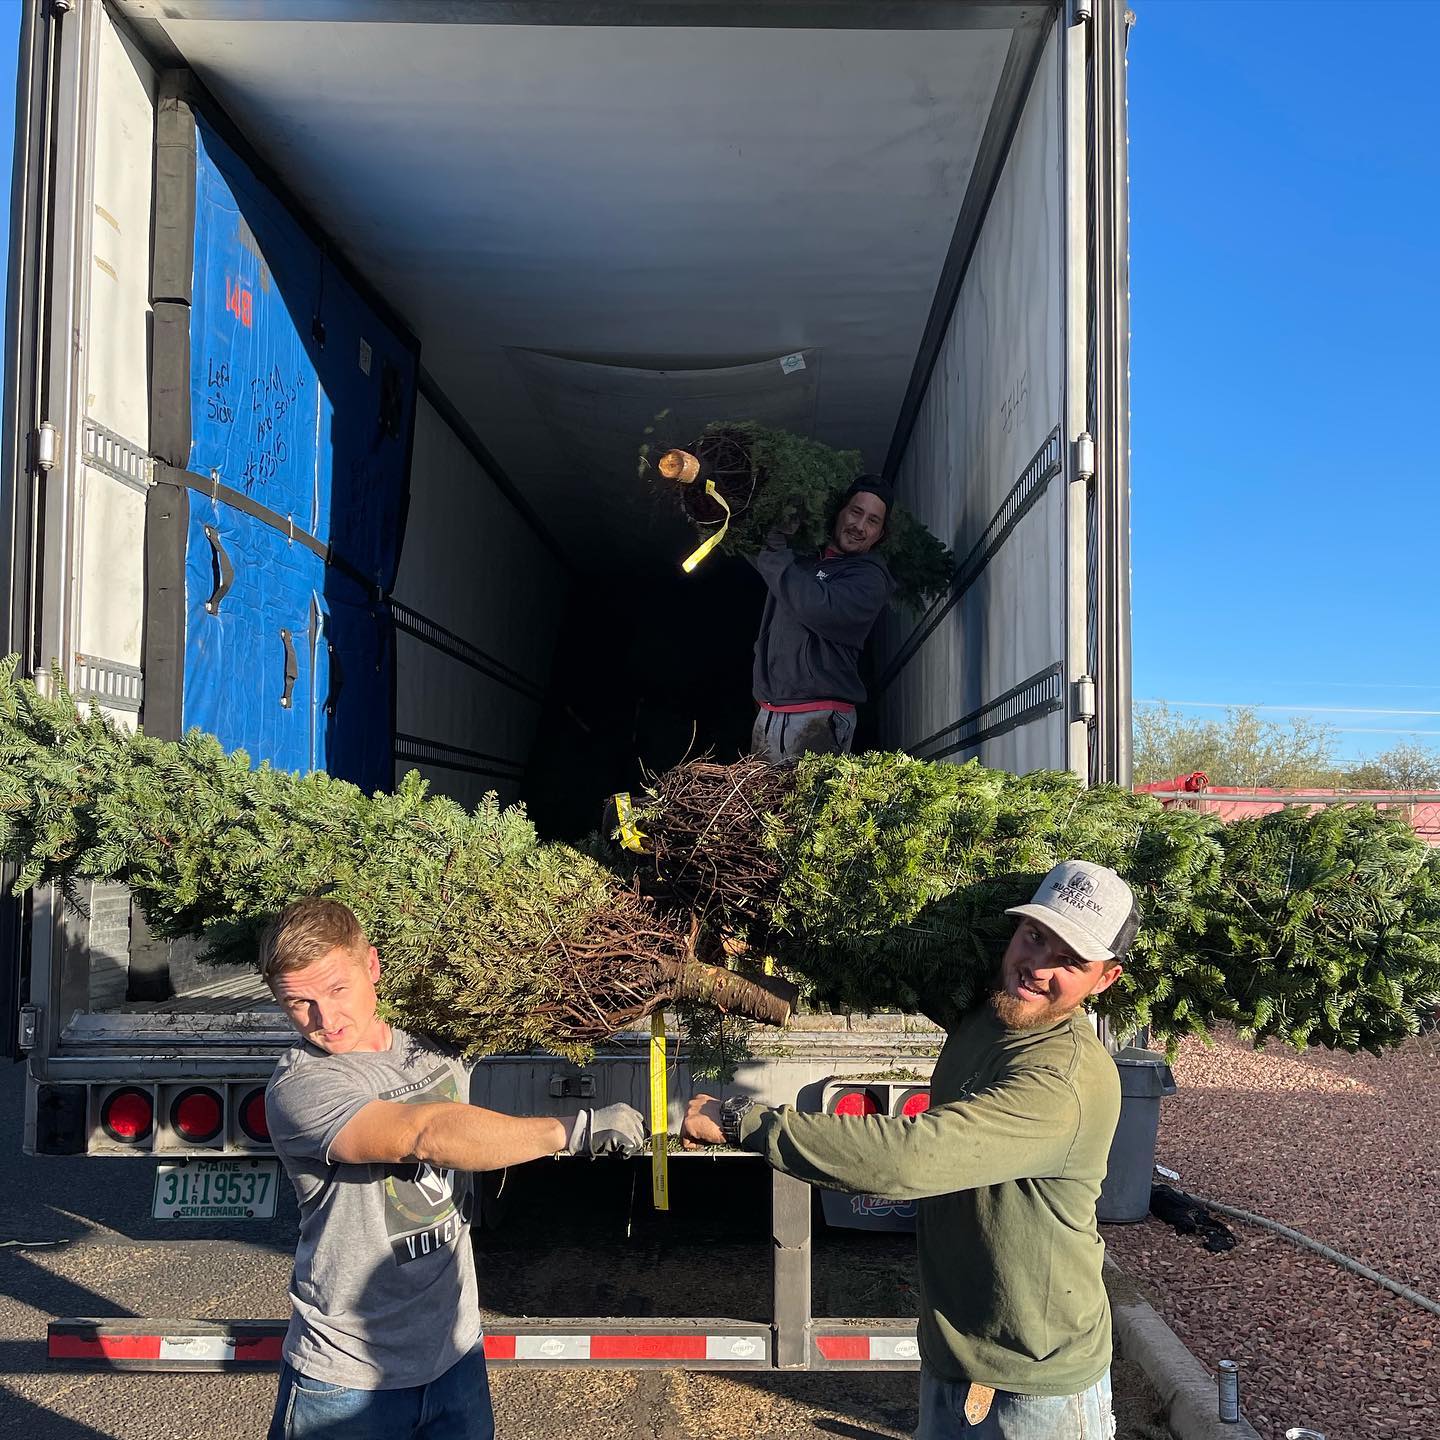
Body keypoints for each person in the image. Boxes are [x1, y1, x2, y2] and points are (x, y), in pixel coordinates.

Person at [682, 860, 1139, 1439]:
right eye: (1034, 936)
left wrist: (743, 1122)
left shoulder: (1063, 1081)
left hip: (1038, 1390)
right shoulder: (989, 1012)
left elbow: (908, 1158)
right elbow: (879, 964)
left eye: (1070, 960)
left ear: (1105, 979)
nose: (1037, 966)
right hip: (956, 1355)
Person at [261, 897, 645, 1440]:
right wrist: (571, 1131)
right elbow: (427, 1135)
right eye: (298, 1003)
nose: (324, 1019)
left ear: (372, 965)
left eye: (337, 990)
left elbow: (523, 997)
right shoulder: (302, 1087)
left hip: (454, 1356)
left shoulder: (431, 1042)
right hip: (348, 1378)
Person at [748, 475, 897, 764]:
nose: (860, 527)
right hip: (770, 711)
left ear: (880, 535)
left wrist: (775, 545)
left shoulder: (869, 580)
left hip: (819, 715)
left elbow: (816, 607)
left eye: (873, 521)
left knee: (804, 808)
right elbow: (763, 557)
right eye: (856, 512)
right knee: (764, 808)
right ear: (839, 511)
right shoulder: (805, 561)